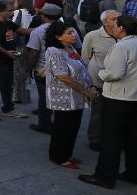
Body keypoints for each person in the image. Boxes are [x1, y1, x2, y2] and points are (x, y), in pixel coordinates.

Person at [78, 15, 137, 189]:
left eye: (115, 26)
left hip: (120, 98)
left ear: (121, 28)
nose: (113, 28)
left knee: (111, 138)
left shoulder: (121, 46)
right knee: (135, 136)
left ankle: (104, 177)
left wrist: (101, 73)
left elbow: (114, 73)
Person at [44, 21, 96, 169]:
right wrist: (86, 91)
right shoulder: (54, 51)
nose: (74, 35)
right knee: (63, 128)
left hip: (76, 96)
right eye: (69, 33)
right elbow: (63, 76)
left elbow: (82, 68)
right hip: (64, 97)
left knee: (73, 127)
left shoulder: (70, 48)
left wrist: (90, 87)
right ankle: (59, 157)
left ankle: (67, 153)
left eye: (74, 32)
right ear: (58, 37)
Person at [81, 10, 119, 152]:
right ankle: (95, 138)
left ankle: (114, 138)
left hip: (119, 82)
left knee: (115, 113)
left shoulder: (124, 35)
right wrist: (88, 82)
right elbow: (85, 58)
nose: (117, 21)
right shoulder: (93, 36)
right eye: (113, 19)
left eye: (119, 18)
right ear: (104, 21)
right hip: (98, 81)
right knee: (98, 112)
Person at [26, 3, 62, 133]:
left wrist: (28, 70)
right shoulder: (68, 29)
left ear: (44, 16)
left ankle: (44, 124)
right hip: (62, 68)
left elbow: (34, 53)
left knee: (44, 97)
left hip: (43, 70)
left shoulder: (38, 31)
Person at [11, 0, 36, 104]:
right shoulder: (32, 13)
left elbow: (13, 26)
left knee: (17, 71)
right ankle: (26, 96)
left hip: (19, 44)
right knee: (26, 72)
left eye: (15, 0)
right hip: (29, 44)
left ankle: (17, 96)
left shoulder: (18, 12)